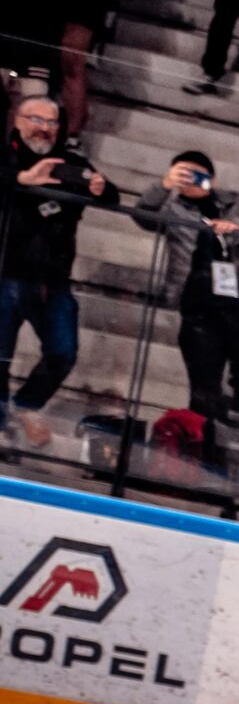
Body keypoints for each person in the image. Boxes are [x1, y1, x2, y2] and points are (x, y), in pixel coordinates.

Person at [137, 152, 239, 506]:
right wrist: (164, 186)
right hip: (199, 312)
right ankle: (208, 470)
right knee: (204, 393)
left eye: (200, 176)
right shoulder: (171, 206)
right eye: (186, 175)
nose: (193, 181)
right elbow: (142, 217)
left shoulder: (231, 202)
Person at [0, 96, 116, 452]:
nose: (43, 127)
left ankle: (28, 404)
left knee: (63, 351)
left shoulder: (70, 163)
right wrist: (21, 178)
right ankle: (1, 427)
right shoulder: (6, 156)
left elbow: (109, 195)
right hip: (5, 274)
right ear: (17, 120)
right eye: (35, 119)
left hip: (52, 281)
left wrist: (100, 188)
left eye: (51, 122)